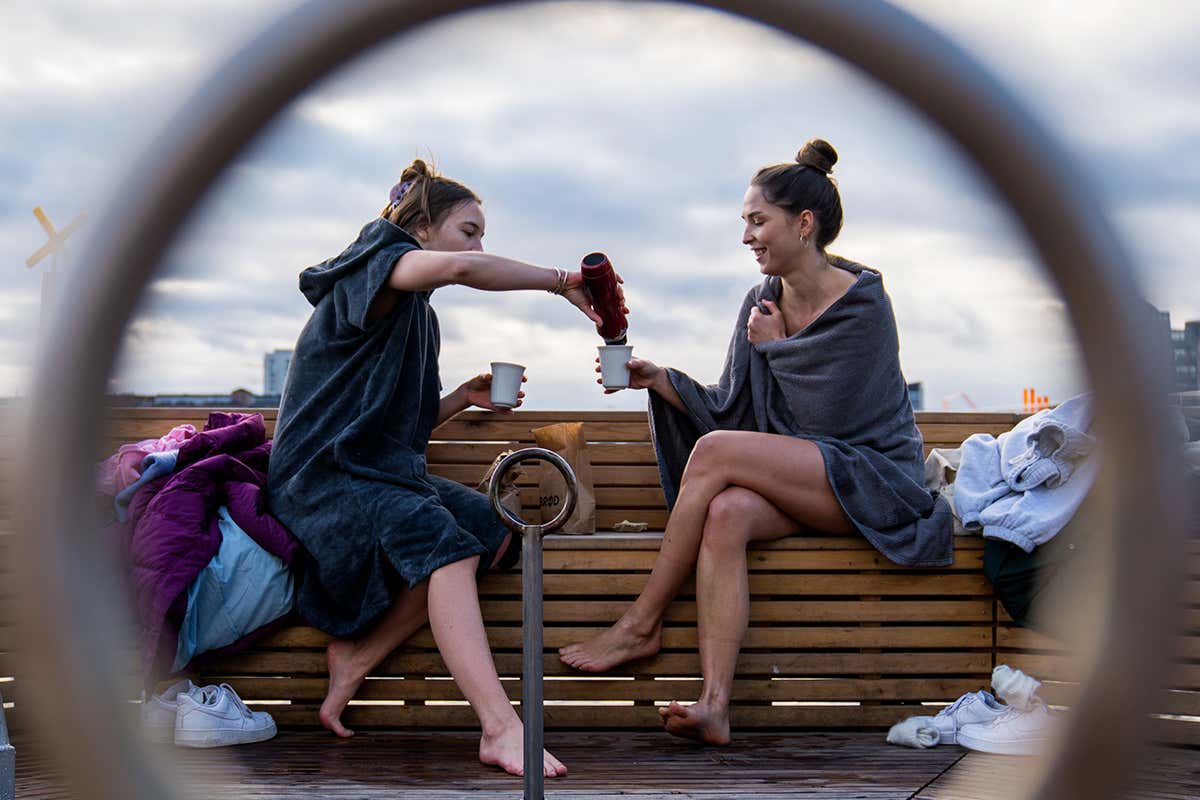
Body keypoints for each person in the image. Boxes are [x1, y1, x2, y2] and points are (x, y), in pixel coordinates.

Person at [559, 139, 953, 746]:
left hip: (874, 481)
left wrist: (776, 349)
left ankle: (641, 623)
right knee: (727, 510)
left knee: (715, 453)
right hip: (811, 482)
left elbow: (834, 419)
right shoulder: (762, 300)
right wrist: (661, 379)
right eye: (744, 221)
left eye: (756, 221)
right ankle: (715, 703)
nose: (746, 236)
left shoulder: (864, 303)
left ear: (803, 223)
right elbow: (733, 407)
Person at [268, 159, 615, 778]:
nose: (478, 247)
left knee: (493, 531)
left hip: (374, 467)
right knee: (445, 550)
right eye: (469, 230)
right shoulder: (372, 266)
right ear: (421, 228)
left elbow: (393, 428)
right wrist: (562, 281)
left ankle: (356, 656)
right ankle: (500, 728)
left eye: (482, 235)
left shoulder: (416, 313)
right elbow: (463, 270)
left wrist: (458, 399)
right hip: (324, 475)